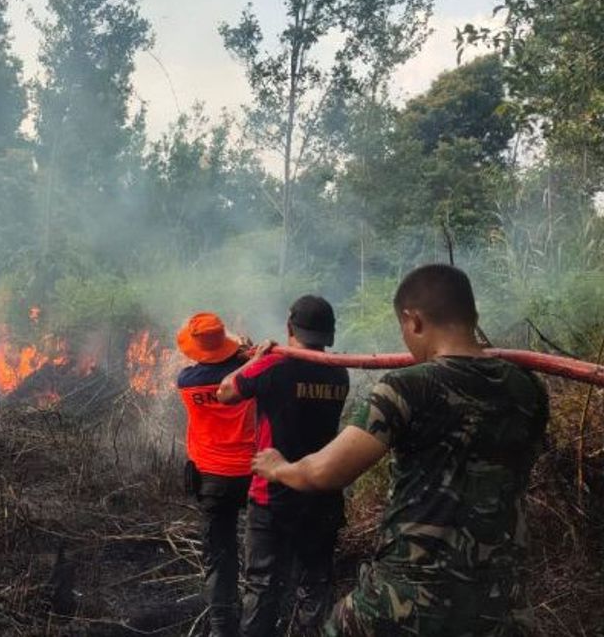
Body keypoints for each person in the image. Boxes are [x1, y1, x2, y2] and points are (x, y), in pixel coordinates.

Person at [251, 264, 549, 636]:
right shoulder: (528, 388)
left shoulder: (405, 387)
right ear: (473, 316)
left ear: (413, 320)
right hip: (503, 603)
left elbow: (324, 472)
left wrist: (278, 467)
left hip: (408, 599)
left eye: (402, 327)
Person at [216, 295, 349, 637]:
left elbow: (225, 393)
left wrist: (256, 359)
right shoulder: (340, 374)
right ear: (329, 335)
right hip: (321, 495)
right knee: (314, 586)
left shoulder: (274, 366)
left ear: (289, 327)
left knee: (262, 586)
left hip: (272, 496)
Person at [175, 312, 258, 637]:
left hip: (211, 480)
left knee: (219, 556)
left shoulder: (187, 382)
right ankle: (258, 621)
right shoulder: (248, 376)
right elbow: (251, 370)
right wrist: (247, 353)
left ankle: (223, 628)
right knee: (260, 551)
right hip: (253, 474)